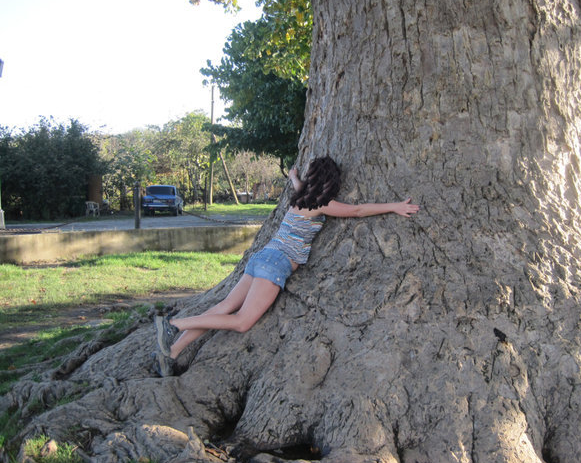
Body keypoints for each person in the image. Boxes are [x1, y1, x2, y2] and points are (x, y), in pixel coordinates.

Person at [153, 156, 419, 376]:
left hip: (262, 256)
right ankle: (175, 324)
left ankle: (173, 351)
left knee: (223, 307)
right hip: (276, 263)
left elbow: (299, 185)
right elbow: (358, 210)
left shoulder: (301, 197)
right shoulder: (323, 203)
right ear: (332, 181)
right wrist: (394, 206)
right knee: (242, 321)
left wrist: (294, 176)